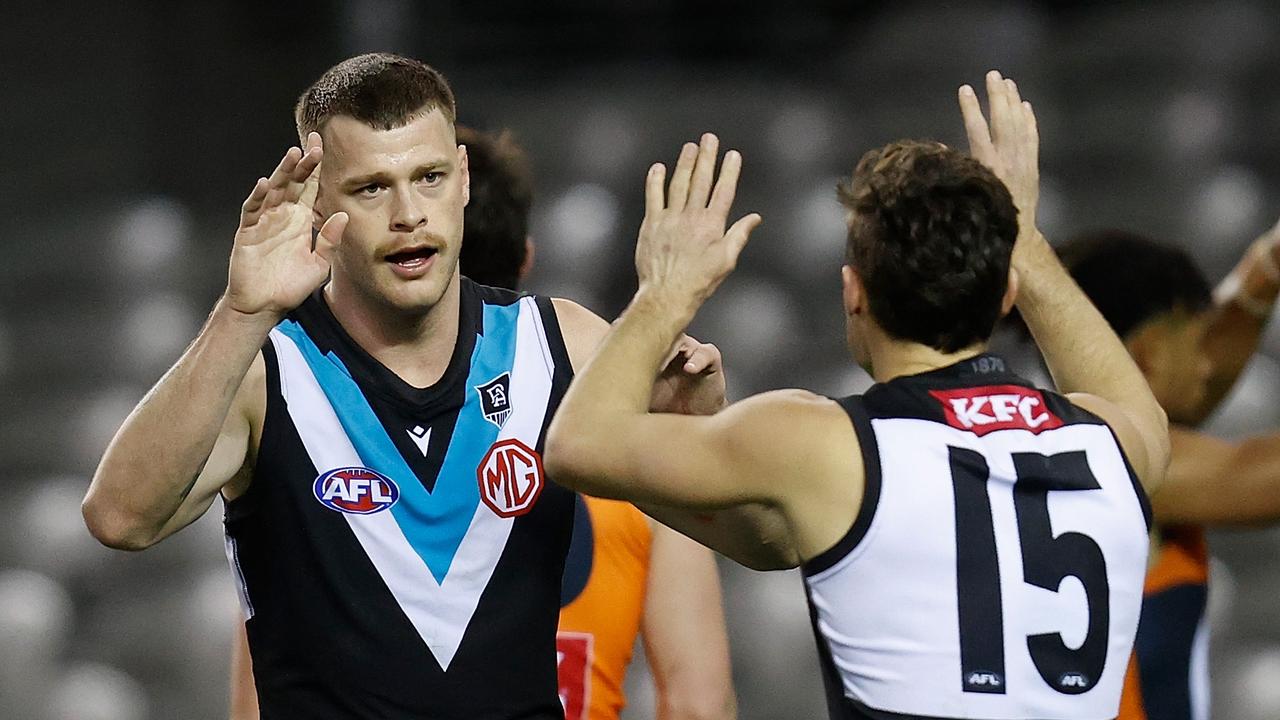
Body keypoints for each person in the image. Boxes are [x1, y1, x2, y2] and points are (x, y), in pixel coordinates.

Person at [81, 53, 725, 720]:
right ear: (318, 201)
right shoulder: (267, 371)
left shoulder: (561, 341)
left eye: (430, 177)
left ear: (464, 179)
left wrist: (698, 428)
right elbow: (119, 518)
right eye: (370, 188)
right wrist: (240, 317)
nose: (409, 214)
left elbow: (752, 537)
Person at [544, 71, 1170, 720]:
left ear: (854, 294)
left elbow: (576, 444)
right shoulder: (1115, 441)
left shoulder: (826, 446)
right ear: (1007, 293)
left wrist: (665, 293)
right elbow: (776, 541)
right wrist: (1026, 242)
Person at [226, 125, 736, 720]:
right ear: (527, 258)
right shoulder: (635, 469)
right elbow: (699, 701)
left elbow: (255, 701)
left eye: (429, 181)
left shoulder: (305, 475)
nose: (409, 214)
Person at [1058, 227, 1280, 720]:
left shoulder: (1070, 440)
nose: (1209, 370)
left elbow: (1210, 369)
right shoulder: (1122, 460)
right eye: (1196, 346)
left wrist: (1265, 268)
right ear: (1147, 353)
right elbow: (1255, 475)